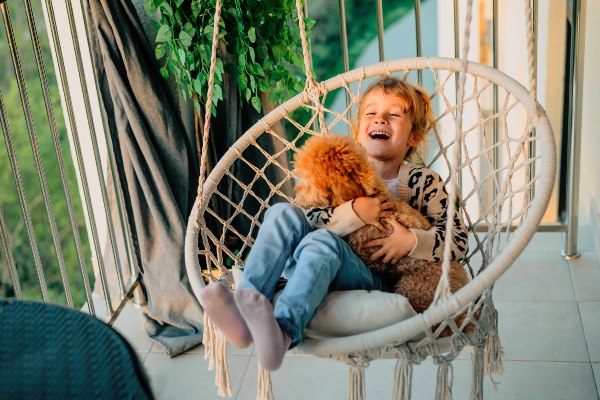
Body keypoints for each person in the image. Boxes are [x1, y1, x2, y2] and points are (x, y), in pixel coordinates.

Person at [199, 76, 469, 371]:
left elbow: (458, 240)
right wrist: (353, 212)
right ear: (357, 129)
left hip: (370, 276)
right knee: (283, 213)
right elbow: (309, 216)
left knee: (323, 242)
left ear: (414, 136)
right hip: (310, 257)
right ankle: (247, 302)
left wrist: (412, 241)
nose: (380, 119)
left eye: (393, 114)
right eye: (371, 112)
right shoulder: (338, 170)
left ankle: (284, 331)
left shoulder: (423, 182)